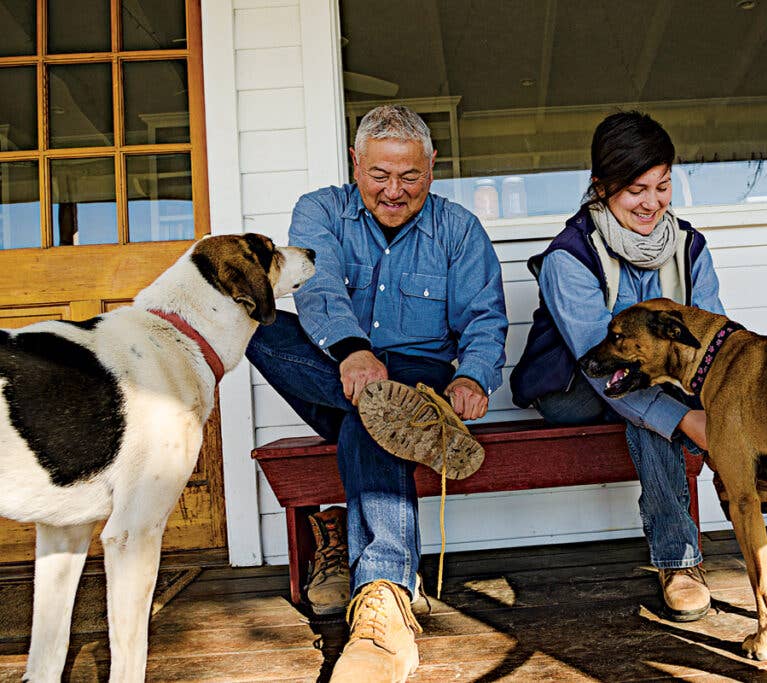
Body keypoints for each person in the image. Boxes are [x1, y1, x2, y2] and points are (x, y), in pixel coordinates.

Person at [247, 105, 508, 682]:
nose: (395, 191)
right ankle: (412, 427)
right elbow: (317, 291)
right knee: (257, 322)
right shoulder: (320, 210)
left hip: (422, 374)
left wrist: (472, 377)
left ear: (432, 168)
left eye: (409, 177)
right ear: (355, 163)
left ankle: (382, 603)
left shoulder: (459, 228)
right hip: (338, 368)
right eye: (380, 176)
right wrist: (351, 350)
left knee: (371, 419)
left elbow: (486, 319)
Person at [510, 111, 721, 623]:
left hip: (656, 383)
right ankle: (679, 562)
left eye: (662, 186)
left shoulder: (690, 247)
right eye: (635, 190)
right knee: (651, 403)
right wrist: (689, 419)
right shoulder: (570, 256)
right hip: (573, 388)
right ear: (601, 187)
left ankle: (761, 490)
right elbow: (603, 368)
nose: (652, 202)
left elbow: (713, 343)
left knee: (658, 402)